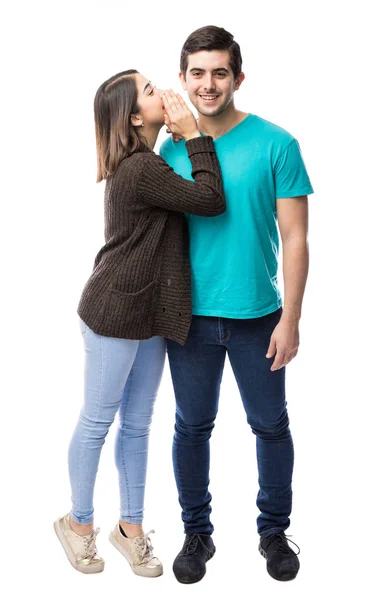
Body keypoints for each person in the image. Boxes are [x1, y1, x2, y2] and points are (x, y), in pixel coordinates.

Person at [54, 69, 225, 577]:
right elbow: (210, 200)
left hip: (149, 313)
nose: (163, 92)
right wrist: (193, 135)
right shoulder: (139, 168)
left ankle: (130, 529)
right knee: (98, 420)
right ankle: (78, 525)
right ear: (133, 116)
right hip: (113, 312)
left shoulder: (149, 161)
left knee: (138, 424)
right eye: (150, 91)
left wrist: (179, 137)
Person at [160, 26, 314, 583]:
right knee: (191, 426)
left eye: (219, 72)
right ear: (183, 79)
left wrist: (291, 317)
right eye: (197, 73)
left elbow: (295, 236)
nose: (208, 84)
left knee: (270, 426)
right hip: (190, 317)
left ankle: (273, 532)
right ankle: (196, 534)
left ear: (238, 78)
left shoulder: (277, 143)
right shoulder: (171, 146)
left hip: (258, 316)